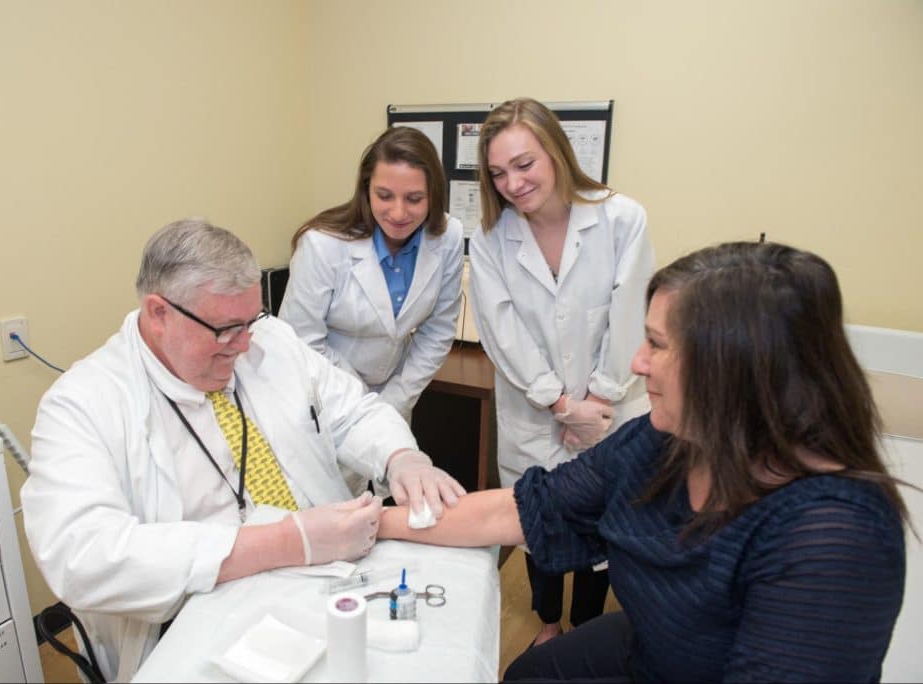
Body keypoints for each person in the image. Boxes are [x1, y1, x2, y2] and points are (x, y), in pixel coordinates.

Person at [380, 241, 909, 682]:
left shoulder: (835, 540)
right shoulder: (663, 442)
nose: (637, 363)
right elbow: (521, 510)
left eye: (656, 345)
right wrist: (372, 524)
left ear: (734, 370)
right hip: (655, 643)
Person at [21, 219, 465, 681]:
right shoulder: (82, 403)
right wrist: (281, 542)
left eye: (250, 321)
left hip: (325, 576)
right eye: (227, 329)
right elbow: (82, 556)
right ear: (158, 313)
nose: (246, 344)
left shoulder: (270, 341)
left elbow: (352, 411)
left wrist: (400, 456)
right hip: (201, 613)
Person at [469, 97, 654, 645]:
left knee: (603, 525)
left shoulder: (621, 218)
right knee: (538, 519)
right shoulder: (490, 238)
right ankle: (550, 624)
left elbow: (630, 312)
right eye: (498, 172)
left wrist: (596, 401)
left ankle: (585, 631)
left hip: (612, 404)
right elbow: (502, 331)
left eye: (524, 164)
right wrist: (559, 404)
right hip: (537, 409)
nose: (513, 183)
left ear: (556, 151)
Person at [279, 126, 463, 427]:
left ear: (434, 196)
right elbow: (303, 341)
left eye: (415, 198)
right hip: (325, 397)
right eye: (384, 196)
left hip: (394, 399)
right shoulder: (322, 244)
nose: (398, 212)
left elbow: (438, 329)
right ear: (366, 190)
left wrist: (395, 401)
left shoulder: (446, 236)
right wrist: (366, 403)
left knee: (390, 473)